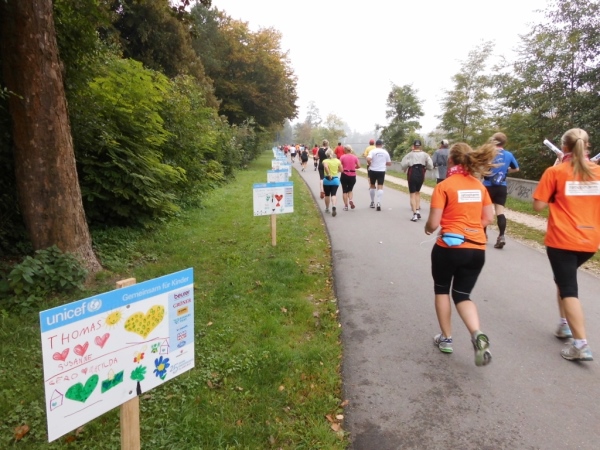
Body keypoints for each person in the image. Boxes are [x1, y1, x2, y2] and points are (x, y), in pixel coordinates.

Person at [424, 142, 496, 367]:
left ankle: (446, 339)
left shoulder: (444, 186)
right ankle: (477, 334)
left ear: (451, 160)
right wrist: (470, 229)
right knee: (463, 295)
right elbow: (488, 218)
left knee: (442, 290)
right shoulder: (479, 186)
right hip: (476, 249)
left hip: (449, 248)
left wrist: (429, 229)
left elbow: (433, 223)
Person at [532, 128, 600, 362]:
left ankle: (580, 345)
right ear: (587, 145)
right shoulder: (597, 172)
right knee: (563, 279)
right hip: (590, 241)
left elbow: (538, 206)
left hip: (562, 240)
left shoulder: (556, 171)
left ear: (564, 147)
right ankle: (564, 325)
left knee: (568, 287)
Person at [482, 132, 519, 249]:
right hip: (501, 186)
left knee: (484, 212)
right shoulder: (508, 154)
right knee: (500, 212)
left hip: (487, 186)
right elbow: (516, 168)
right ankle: (501, 236)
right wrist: (506, 170)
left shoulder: (489, 153)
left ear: (493, 141)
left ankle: (483, 236)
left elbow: (482, 167)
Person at [400, 139, 434, 221]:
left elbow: (403, 165)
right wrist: (426, 167)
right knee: (418, 192)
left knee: (412, 194)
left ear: (414, 146)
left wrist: (406, 167)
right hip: (421, 172)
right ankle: (418, 211)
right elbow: (430, 165)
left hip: (412, 172)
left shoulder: (409, 155)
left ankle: (414, 214)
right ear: (420, 146)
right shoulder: (425, 155)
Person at [366, 139, 392, 211]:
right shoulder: (385, 152)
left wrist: (370, 163)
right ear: (382, 145)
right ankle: (378, 203)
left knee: (372, 185)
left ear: (375, 145)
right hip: (381, 171)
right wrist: (383, 163)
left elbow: (368, 159)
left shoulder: (372, 151)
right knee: (380, 186)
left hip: (373, 170)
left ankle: (372, 202)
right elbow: (389, 163)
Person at [339, 144, 361, 210]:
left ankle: (346, 206)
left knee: (344, 190)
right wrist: (354, 167)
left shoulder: (342, 157)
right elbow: (359, 166)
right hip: (352, 175)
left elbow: (339, 165)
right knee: (350, 190)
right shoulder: (355, 157)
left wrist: (341, 169)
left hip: (345, 174)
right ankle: (350, 200)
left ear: (345, 149)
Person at [323, 149, 342, 216]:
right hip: (335, 180)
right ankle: (334, 206)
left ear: (326, 154)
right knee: (333, 194)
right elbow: (341, 170)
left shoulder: (325, 161)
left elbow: (325, 167)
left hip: (327, 179)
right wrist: (336, 170)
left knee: (327, 195)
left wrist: (329, 174)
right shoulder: (337, 161)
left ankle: (327, 208)